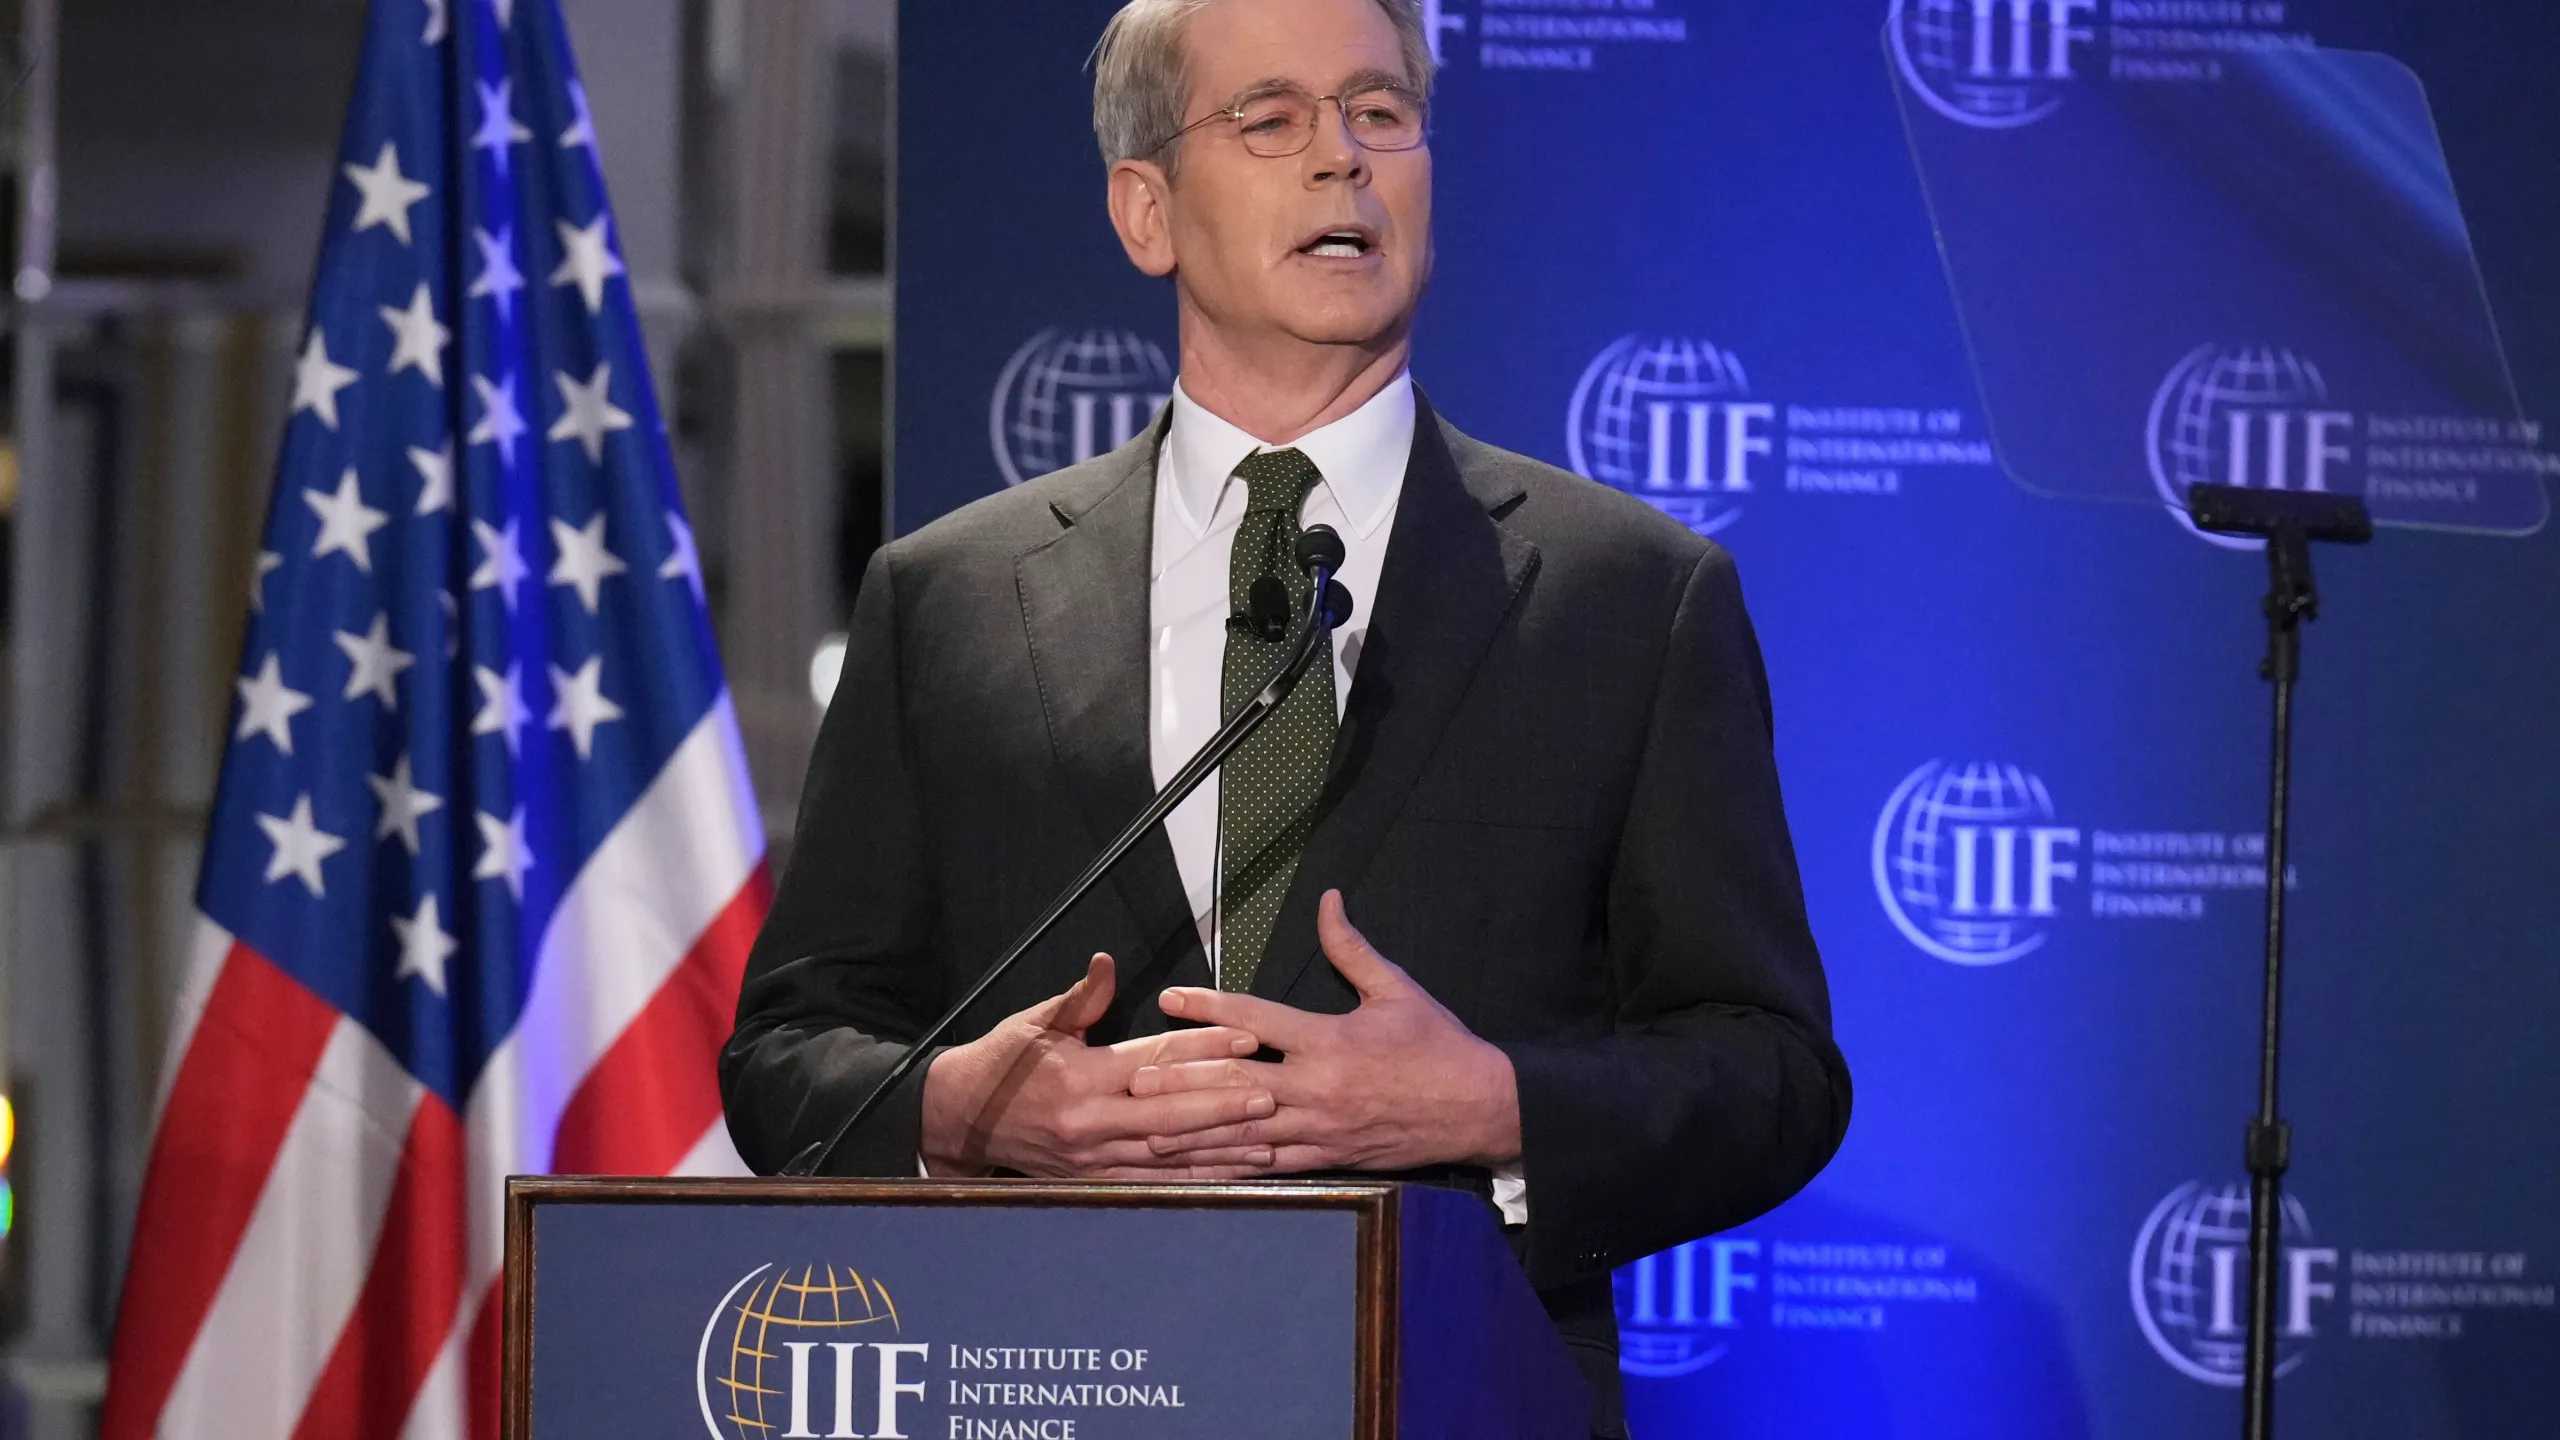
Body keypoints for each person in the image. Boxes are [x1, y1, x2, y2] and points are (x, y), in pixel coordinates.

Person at [720, 0, 1851, 1432]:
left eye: (1380, 113)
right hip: (1041, 1379)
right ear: (1147, 211)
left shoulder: (1628, 597)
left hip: (1447, 1391)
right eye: (1270, 120)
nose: (1342, 158)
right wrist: (961, 1109)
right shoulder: (949, 598)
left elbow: (1770, 1071)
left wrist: (1487, 1104)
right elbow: (792, 1052)